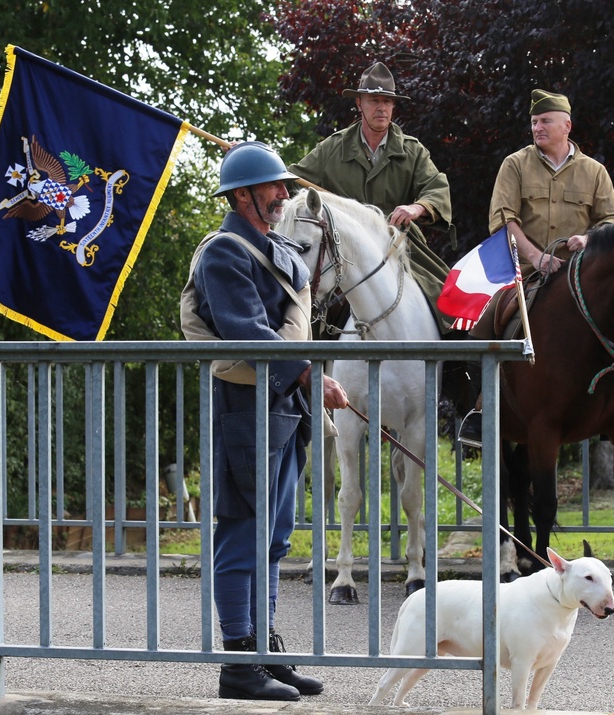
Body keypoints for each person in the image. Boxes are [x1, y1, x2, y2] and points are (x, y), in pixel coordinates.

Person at [180, 141, 348, 701]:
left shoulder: (275, 247)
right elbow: (247, 330)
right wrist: (306, 375)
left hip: (280, 407)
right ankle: (238, 664)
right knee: (240, 534)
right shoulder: (224, 254)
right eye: (274, 186)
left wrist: (300, 383)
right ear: (242, 195)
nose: (284, 194)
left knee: (274, 538)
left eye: (282, 186)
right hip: (242, 405)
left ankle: (266, 651)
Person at [458, 89, 614, 447]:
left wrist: (590, 238)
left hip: (582, 276)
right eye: (534, 122)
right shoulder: (515, 164)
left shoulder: (595, 172)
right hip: (524, 274)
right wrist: (536, 257)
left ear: (567, 125)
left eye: (545, 121)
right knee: (481, 329)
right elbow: (503, 221)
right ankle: (481, 411)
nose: (537, 128)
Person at [288, 61, 455, 335]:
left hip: (399, 244)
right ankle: (308, 373)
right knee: (307, 315)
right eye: (374, 100)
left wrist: (417, 207)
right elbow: (289, 178)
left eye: (388, 101)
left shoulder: (413, 151)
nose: (382, 108)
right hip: (344, 250)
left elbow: (436, 187)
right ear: (359, 103)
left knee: (447, 300)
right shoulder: (333, 147)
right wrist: (250, 159)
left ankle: (457, 373)